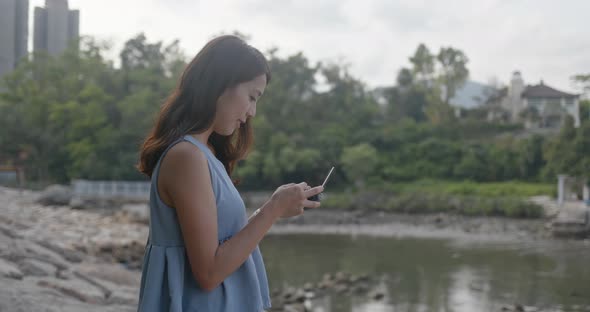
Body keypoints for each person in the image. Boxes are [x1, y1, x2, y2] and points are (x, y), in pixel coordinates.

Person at [135, 35, 324, 311]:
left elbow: (223, 240)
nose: (252, 112)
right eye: (251, 97)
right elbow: (209, 273)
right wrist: (272, 209)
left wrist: (275, 207)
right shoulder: (187, 157)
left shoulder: (206, 154)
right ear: (220, 83)